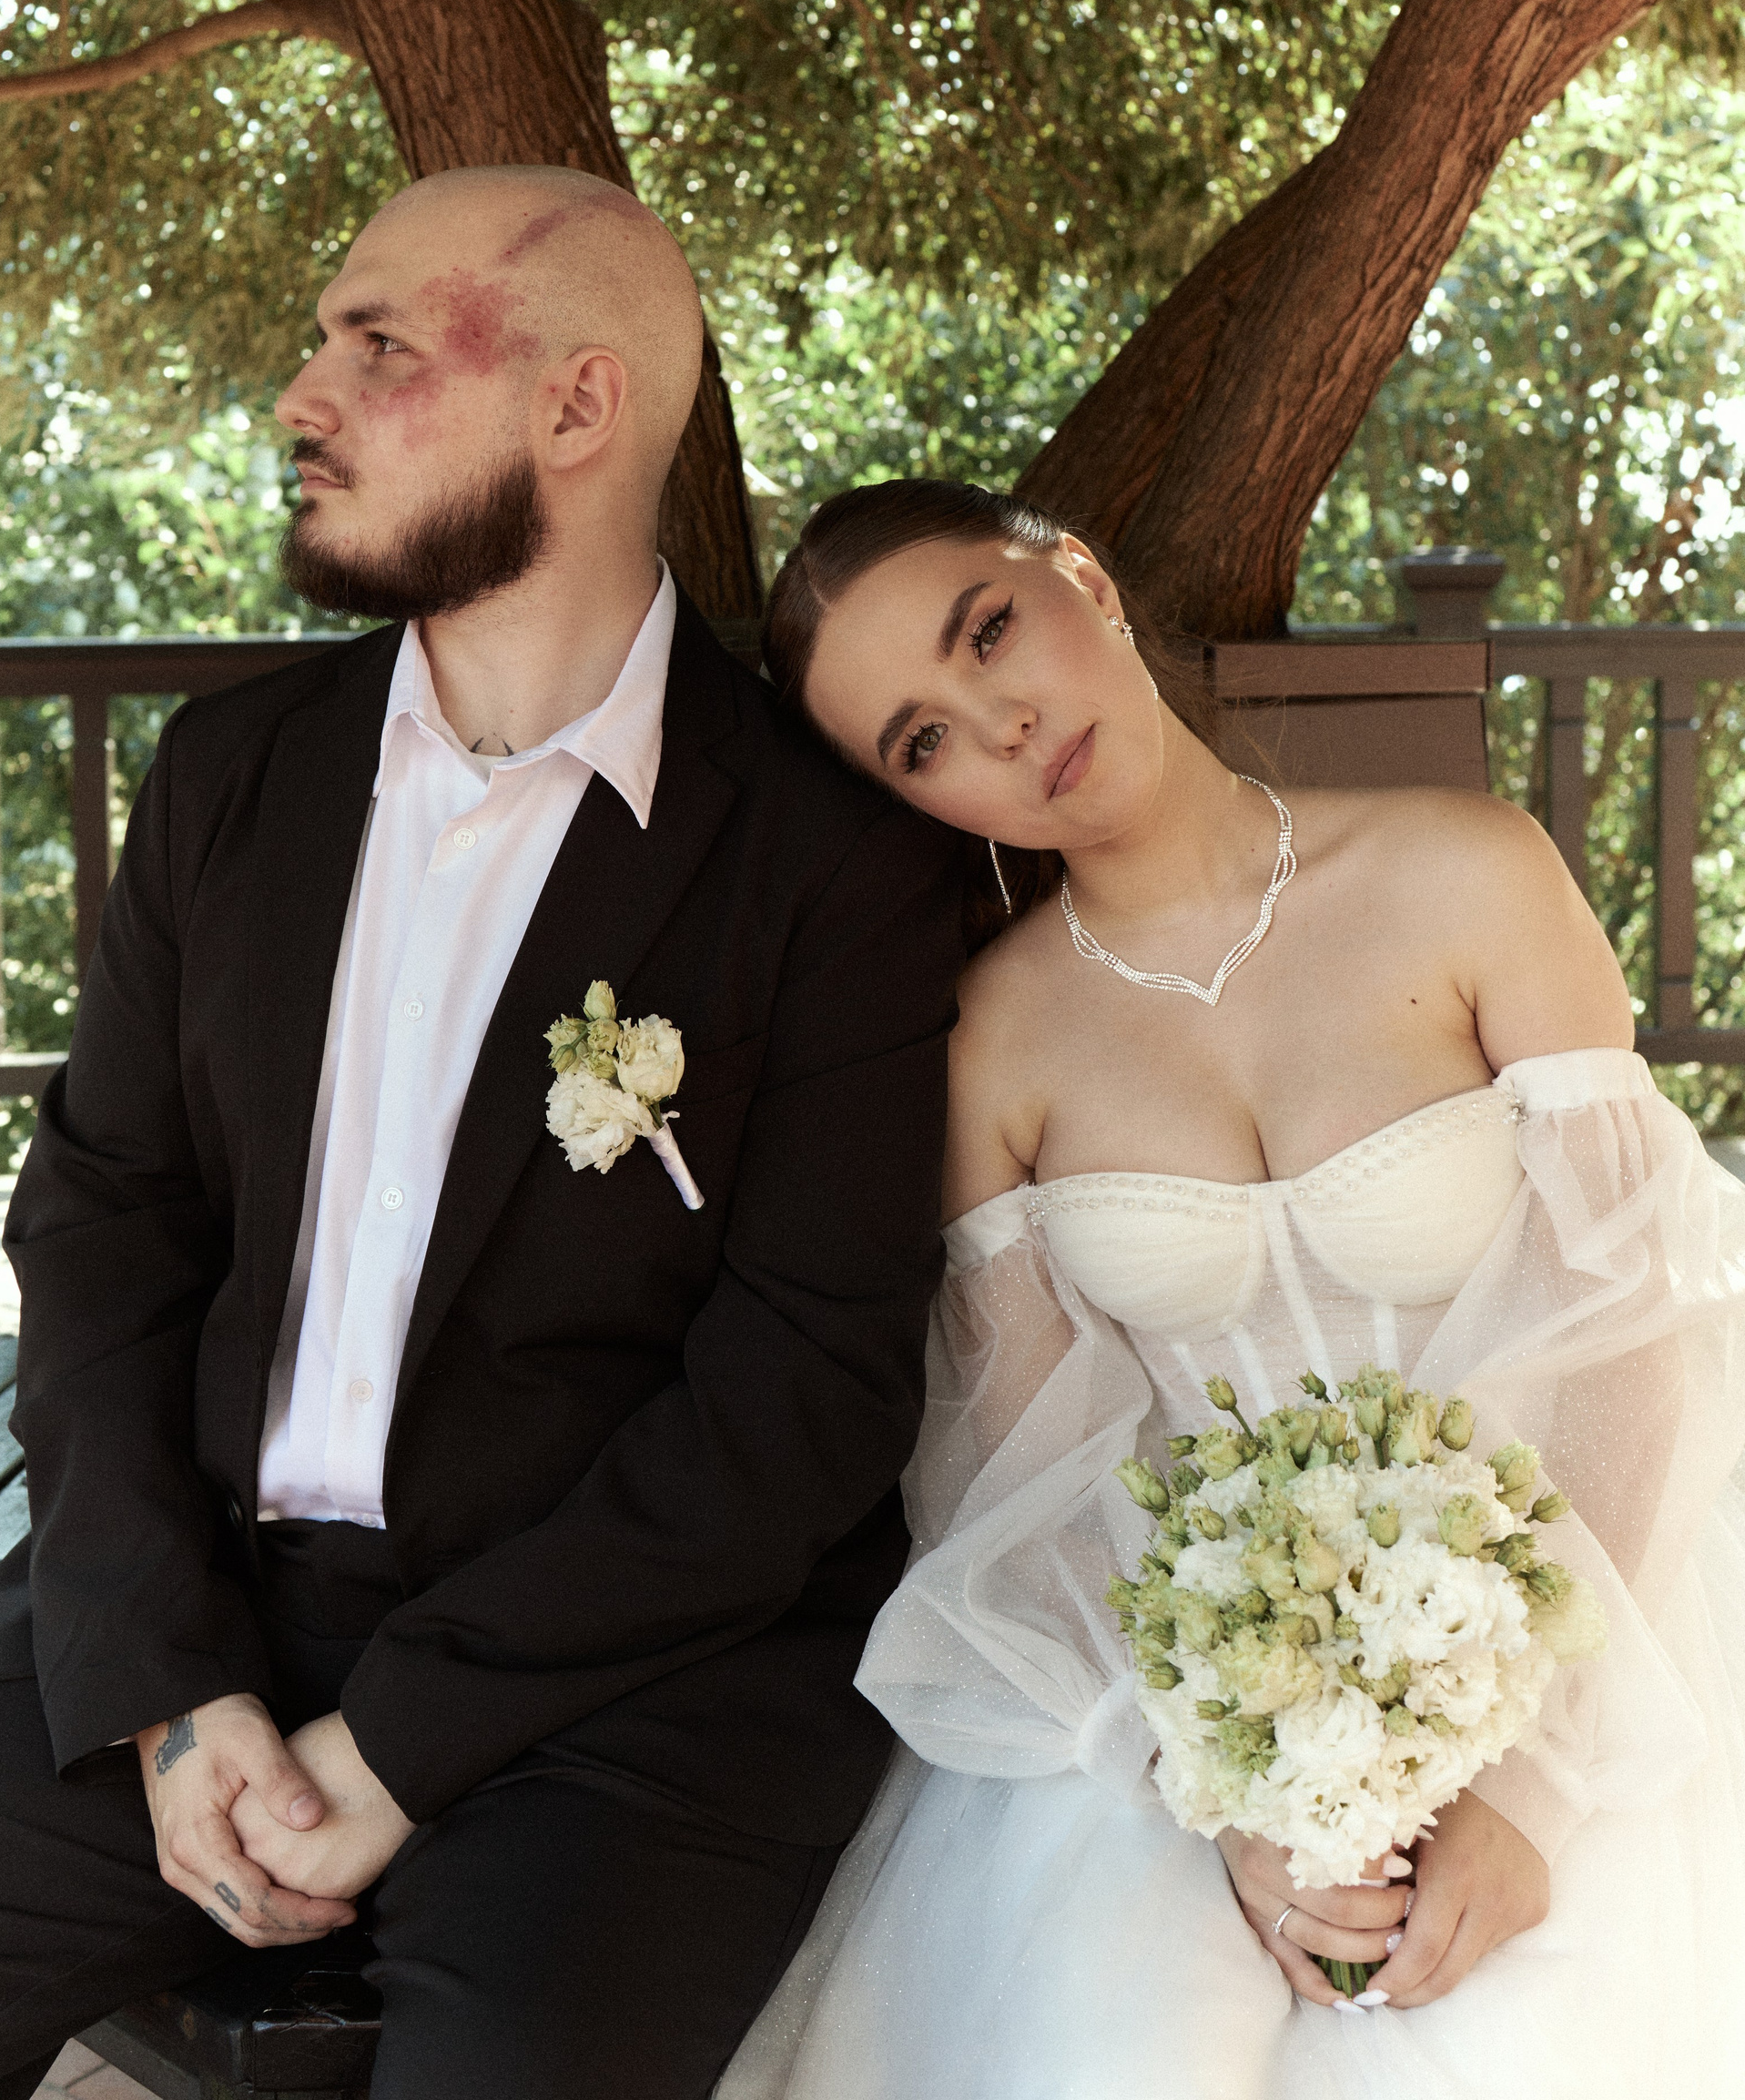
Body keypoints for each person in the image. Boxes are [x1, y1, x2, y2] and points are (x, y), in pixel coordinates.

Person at [0, 171, 963, 2100]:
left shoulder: (833, 860)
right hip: (196, 1622)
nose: (302, 395)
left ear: (577, 406)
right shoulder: (230, 778)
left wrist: (399, 1745)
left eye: (374, 345)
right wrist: (172, 1695)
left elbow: (800, 1398)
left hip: (623, 1690)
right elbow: (102, 1236)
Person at [719, 478, 1745, 2100]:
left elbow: (1631, 1336)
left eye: (989, 632)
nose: (1001, 725)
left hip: (1580, 1619)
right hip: (1194, 1718)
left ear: (1083, 576)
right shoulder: (988, 1046)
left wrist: (1534, 1781)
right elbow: (1030, 1484)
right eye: (922, 742)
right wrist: (1231, 1789)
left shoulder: (1472, 872)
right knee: (1123, 2051)